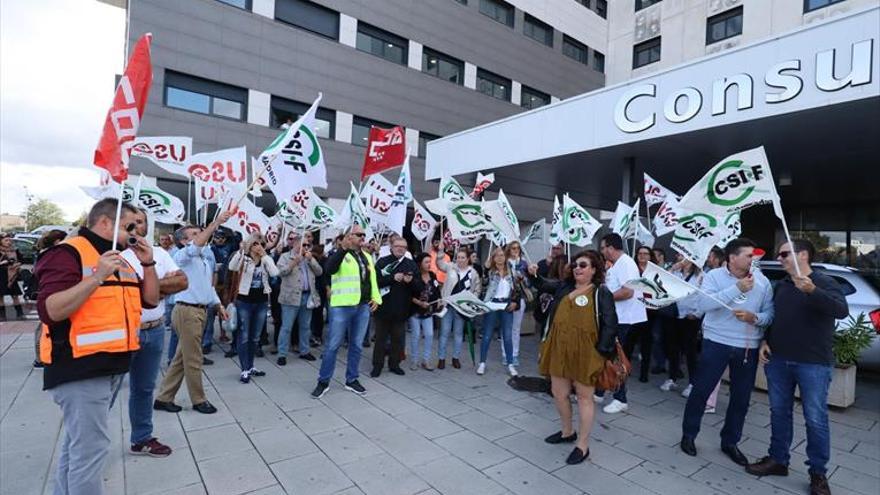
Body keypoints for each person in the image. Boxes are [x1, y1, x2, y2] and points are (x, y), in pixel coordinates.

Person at [36, 199, 159, 495]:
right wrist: (97, 276)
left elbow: (151, 300)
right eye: (130, 226)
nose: (136, 232)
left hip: (112, 366)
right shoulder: (68, 253)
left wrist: (148, 262)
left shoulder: (122, 257)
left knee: (76, 446)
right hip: (79, 367)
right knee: (91, 452)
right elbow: (51, 310)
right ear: (106, 222)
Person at [745, 240, 848, 495]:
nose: (779, 259)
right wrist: (765, 340)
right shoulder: (782, 286)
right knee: (779, 413)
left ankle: (818, 474)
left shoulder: (824, 283)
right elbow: (774, 316)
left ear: (802, 255)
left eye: (783, 254)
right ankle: (778, 460)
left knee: (815, 420)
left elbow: (841, 310)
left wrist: (813, 291)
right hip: (779, 360)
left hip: (813, 363)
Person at [680, 238, 774, 466]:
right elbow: (702, 306)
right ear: (732, 257)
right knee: (701, 391)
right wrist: (736, 289)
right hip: (717, 342)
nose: (754, 259)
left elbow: (769, 315)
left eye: (754, 255)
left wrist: (755, 318)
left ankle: (730, 442)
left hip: (747, 348)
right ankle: (689, 435)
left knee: (741, 398)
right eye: (749, 255)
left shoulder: (762, 281)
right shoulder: (713, 277)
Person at [528, 250, 618, 465]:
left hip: (587, 353)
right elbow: (542, 284)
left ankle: (583, 445)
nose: (578, 268)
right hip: (559, 348)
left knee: (584, 397)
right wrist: (533, 274)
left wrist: (600, 353)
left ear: (594, 269)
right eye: (576, 264)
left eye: (584, 265)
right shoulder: (564, 286)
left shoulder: (600, 293)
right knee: (559, 393)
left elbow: (610, 324)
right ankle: (567, 432)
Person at [121, 209, 188, 457]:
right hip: (126, 331)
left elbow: (182, 282)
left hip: (155, 329)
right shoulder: (117, 256)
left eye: (141, 221)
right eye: (132, 222)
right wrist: (157, 288)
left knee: (145, 389)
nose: (137, 226)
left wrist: (147, 287)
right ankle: (90, 444)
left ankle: (141, 438)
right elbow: (125, 293)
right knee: (106, 392)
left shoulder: (159, 253)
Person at [154, 211, 232, 415]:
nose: (201, 236)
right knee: (193, 359)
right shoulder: (182, 256)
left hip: (198, 311)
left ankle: (164, 397)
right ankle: (199, 400)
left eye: (200, 232)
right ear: (183, 241)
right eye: (195, 233)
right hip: (187, 312)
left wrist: (218, 305)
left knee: (181, 359)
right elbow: (196, 245)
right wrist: (216, 223)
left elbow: (207, 287)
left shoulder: (202, 260)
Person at [311, 225, 380, 399]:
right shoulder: (340, 254)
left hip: (362, 306)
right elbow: (329, 269)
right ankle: (323, 381)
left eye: (364, 234)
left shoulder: (366, 256)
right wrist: (343, 248)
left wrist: (376, 298)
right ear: (349, 236)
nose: (362, 237)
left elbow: (372, 279)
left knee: (356, 345)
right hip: (342, 306)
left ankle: (352, 379)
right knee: (333, 346)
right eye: (358, 234)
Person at [593, 233, 647, 414]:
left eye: (603, 248)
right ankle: (599, 391)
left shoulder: (626, 263)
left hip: (627, 320)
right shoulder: (619, 264)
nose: (602, 252)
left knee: (618, 360)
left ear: (610, 247)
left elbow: (627, 292)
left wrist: (603, 299)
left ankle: (620, 398)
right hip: (618, 319)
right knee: (607, 356)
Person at [228, 233, 279, 383]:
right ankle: (244, 369)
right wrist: (241, 251)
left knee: (255, 337)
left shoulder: (265, 260)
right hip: (244, 301)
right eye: (256, 244)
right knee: (244, 336)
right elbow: (232, 267)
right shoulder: (243, 258)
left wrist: (265, 256)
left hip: (261, 301)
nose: (259, 247)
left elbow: (275, 273)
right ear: (250, 244)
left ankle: (250, 366)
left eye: (262, 244)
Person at [371, 236, 417, 377]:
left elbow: (419, 287)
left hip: (401, 309)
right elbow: (375, 282)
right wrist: (392, 278)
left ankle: (394, 364)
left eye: (403, 247)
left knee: (398, 340)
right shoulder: (382, 262)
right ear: (391, 247)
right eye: (397, 246)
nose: (400, 249)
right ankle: (377, 366)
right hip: (383, 309)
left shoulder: (411, 264)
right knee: (380, 340)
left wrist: (411, 281)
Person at [276, 235, 322, 365]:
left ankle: (305, 351)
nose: (306, 248)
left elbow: (319, 272)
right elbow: (280, 272)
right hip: (291, 297)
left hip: (307, 296)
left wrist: (311, 260)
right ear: (295, 244)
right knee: (286, 327)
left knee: (305, 326)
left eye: (308, 245)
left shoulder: (309, 258)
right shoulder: (285, 257)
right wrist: (294, 262)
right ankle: (282, 353)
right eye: (303, 245)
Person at [659, 258, 702, 397]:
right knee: (672, 347)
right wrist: (673, 268)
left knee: (690, 350)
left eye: (684, 256)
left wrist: (697, 313)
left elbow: (703, 296)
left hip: (690, 317)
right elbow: (661, 282)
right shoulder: (675, 272)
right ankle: (672, 377)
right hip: (674, 314)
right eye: (679, 255)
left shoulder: (700, 276)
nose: (681, 258)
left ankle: (693, 382)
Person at [477, 247, 522, 377]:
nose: (500, 258)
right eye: (497, 255)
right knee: (487, 335)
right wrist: (485, 270)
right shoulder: (490, 272)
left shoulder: (512, 272)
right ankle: (482, 363)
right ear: (493, 258)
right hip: (492, 304)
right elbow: (483, 285)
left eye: (502, 255)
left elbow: (518, 289)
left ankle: (510, 363)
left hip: (506, 304)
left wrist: (515, 302)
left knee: (507, 336)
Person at [436, 245, 482, 370]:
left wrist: (470, 301)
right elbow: (439, 263)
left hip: (462, 307)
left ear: (468, 259)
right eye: (458, 257)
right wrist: (441, 250)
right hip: (448, 305)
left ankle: (456, 358)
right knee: (444, 332)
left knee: (458, 333)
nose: (460, 260)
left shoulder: (473, 273)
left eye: (463, 258)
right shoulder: (451, 267)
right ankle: (441, 358)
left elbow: (477, 289)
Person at [31, 229, 68, 368]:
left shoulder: (46, 253)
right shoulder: (52, 254)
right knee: (43, 327)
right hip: (46, 294)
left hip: (43, 292)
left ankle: (40, 357)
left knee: (43, 326)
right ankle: (40, 358)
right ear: (58, 241)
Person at [408, 252, 443, 371]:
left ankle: (426, 360)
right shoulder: (414, 276)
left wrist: (438, 300)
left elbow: (437, 290)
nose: (429, 264)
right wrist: (419, 303)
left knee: (429, 335)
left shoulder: (432, 275)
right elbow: (409, 295)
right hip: (415, 311)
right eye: (426, 262)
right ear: (420, 263)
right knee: (416, 335)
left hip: (428, 311)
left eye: (430, 262)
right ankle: (414, 360)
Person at [632, 246, 656, 382]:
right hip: (634, 309)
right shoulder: (632, 269)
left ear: (650, 256)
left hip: (649, 311)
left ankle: (644, 373)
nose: (642, 256)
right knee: (629, 341)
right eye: (640, 253)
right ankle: (625, 368)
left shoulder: (654, 271)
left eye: (645, 254)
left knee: (646, 343)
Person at [503, 241, 529, 367]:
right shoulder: (504, 262)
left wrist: (523, 278)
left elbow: (529, 282)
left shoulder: (523, 263)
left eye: (518, 248)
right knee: (506, 327)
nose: (515, 250)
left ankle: (514, 354)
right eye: (513, 248)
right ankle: (505, 354)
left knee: (516, 328)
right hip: (506, 297)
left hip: (520, 297)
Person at [0, 232, 25, 320]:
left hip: (12, 275)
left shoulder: (14, 250)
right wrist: (2, 263)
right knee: (1, 296)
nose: (8, 242)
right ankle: (2, 316)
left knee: (15, 295)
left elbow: (22, 260)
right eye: (6, 240)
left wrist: (16, 264)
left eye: (9, 240)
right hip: (1, 275)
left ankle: (20, 314)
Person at [310, 242, 327, 346]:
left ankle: (317, 335)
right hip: (317, 289)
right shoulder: (320, 260)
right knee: (316, 314)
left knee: (317, 314)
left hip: (319, 290)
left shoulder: (322, 261)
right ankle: (315, 335)